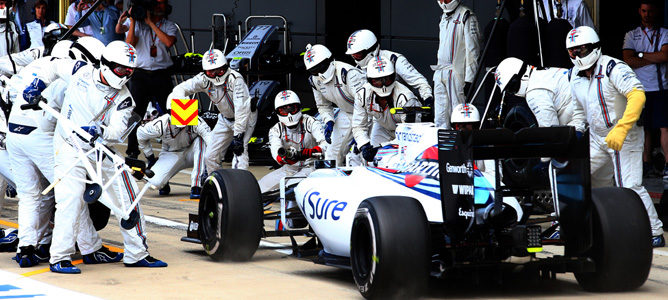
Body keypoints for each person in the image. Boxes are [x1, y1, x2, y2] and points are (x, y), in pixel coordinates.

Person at [21, 40, 166, 273]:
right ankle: (59, 258)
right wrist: (37, 84)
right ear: (106, 65)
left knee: (128, 196)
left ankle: (137, 253)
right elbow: (53, 67)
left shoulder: (124, 98)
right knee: (70, 199)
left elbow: (117, 132)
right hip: (68, 145)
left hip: (99, 147)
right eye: (121, 69)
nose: (126, 75)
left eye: (131, 71)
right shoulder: (80, 70)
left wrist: (101, 131)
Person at [7, 38, 123, 267]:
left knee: (29, 195)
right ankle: (92, 248)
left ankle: (26, 248)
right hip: (40, 137)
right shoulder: (71, 77)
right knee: (71, 192)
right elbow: (66, 118)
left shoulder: (36, 66)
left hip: (14, 133)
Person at [566, 26, 665, 247]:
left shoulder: (613, 67)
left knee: (629, 186)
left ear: (593, 47)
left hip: (625, 134)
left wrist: (622, 127)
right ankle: (579, 224)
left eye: (581, 50)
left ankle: (654, 231)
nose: (577, 56)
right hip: (597, 136)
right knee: (574, 176)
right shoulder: (574, 74)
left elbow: (637, 95)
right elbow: (579, 112)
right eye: (572, 52)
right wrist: (575, 134)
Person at [166, 49, 255, 171]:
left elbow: (242, 109)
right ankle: (215, 182)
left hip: (245, 118)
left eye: (220, 70)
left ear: (226, 67)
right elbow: (180, 88)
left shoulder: (235, 79)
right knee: (210, 156)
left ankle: (239, 186)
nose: (217, 74)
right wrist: (184, 113)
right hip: (224, 118)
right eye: (211, 72)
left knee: (239, 154)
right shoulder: (203, 79)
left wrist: (238, 136)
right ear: (205, 72)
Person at [115, 0, 176, 159]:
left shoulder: (169, 25)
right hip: (140, 74)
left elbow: (169, 42)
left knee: (174, 109)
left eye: (162, 3)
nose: (158, 6)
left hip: (161, 73)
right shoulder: (136, 23)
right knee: (135, 114)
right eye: (156, 3)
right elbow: (129, 45)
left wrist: (150, 22)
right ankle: (132, 151)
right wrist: (134, 21)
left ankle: (181, 145)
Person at [622, 0, 668, 180]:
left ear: (656, 11)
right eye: (643, 11)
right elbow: (627, 60)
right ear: (639, 11)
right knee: (643, 129)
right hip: (639, 90)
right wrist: (653, 57)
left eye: (649, 11)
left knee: (665, 128)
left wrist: (639, 55)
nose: (646, 15)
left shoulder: (665, 33)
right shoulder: (631, 35)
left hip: (661, 87)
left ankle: (666, 166)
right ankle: (646, 164)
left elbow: (665, 55)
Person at [352, 56, 421, 163]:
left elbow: (410, 135)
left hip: (409, 134)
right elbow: (358, 126)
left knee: (403, 160)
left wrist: (382, 147)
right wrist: (364, 145)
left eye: (387, 79)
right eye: (377, 81)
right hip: (382, 127)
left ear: (393, 77)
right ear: (370, 80)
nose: (383, 85)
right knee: (371, 161)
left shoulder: (407, 98)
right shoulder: (362, 95)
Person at [304, 44, 364, 165]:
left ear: (330, 60)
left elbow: (365, 104)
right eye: (314, 71)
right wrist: (329, 121)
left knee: (360, 154)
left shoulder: (348, 73)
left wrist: (360, 133)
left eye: (321, 67)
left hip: (368, 115)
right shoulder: (314, 80)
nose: (319, 73)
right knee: (332, 154)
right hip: (345, 112)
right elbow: (323, 105)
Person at [257, 90, 327, 193]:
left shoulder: (311, 122)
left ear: (299, 108)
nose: (289, 114)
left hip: (311, 166)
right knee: (258, 188)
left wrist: (307, 153)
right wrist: (284, 158)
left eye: (292, 109)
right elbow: (276, 152)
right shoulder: (276, 130)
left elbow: (326, 145)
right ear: (278, 112)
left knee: (290, 187)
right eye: (284, 111)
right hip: (289, 168)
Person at [345, 29, 432, 107]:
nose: (356, 58)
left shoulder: (394, 59)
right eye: (353, 55)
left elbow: (420, 82)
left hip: (401, 106)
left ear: (371, 50)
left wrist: (427, 98)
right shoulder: (358, 70)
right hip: (377, 112)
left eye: (358, 54)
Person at [494, 57, 585, 129]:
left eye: (511, 88)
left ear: (517, 79)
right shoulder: (540, 73)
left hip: (581, 113)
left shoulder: (534, 93)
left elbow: (550, 130)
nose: (513, 93)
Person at [136, 112, 211, 199]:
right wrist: (151, 158)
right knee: (153, 183)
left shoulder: (197, 121)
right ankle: (164, 182)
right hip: (171, 153)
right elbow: (140, 133)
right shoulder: (160, 124)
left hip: (193, 152)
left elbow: (210, 141)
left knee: (201, 140)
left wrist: (210, 162)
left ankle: (196, 185)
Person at [433, 0, 481, 129]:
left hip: (457, 74)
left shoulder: (467, 16)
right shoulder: (443, 16)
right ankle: (442, 147)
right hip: (440, 71)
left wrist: (470, 79)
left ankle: (460, 147)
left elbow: (473, 51)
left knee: (459, 115)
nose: (443, 2)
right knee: (440, 116)